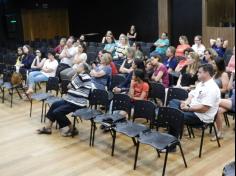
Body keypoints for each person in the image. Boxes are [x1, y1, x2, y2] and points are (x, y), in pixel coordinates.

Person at [169, 64, 221, 151]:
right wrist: (186, 103)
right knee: (173, 101)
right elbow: (191, 95)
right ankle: (177, 118)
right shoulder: (201, 83)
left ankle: (171, 146)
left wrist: (188, 108)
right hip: (191, 108)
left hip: (201, 116)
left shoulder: (212, 89)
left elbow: (204, 109)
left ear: (207, 73)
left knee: (175, 117)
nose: (197, 74)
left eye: (200, 72)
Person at [36, 63, 92, 137]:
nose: (76, 67)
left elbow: (69, 86)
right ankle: (48, 128)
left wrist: (75, 75)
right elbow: (71, 85)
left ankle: (73, 129)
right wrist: (76, 74)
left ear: (83, 68)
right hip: (70, 100)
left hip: (77, 103)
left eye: (78, 66)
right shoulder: (81, 76)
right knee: (55, 105)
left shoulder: (82, 76)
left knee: (58, 112)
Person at [212, 72, 235, 141]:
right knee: (218, 110)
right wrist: (232, 75)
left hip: (233, 103)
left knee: (215, 100)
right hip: (231, 101)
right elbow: (229, 88)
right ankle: (220, 133)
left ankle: (205, 117)